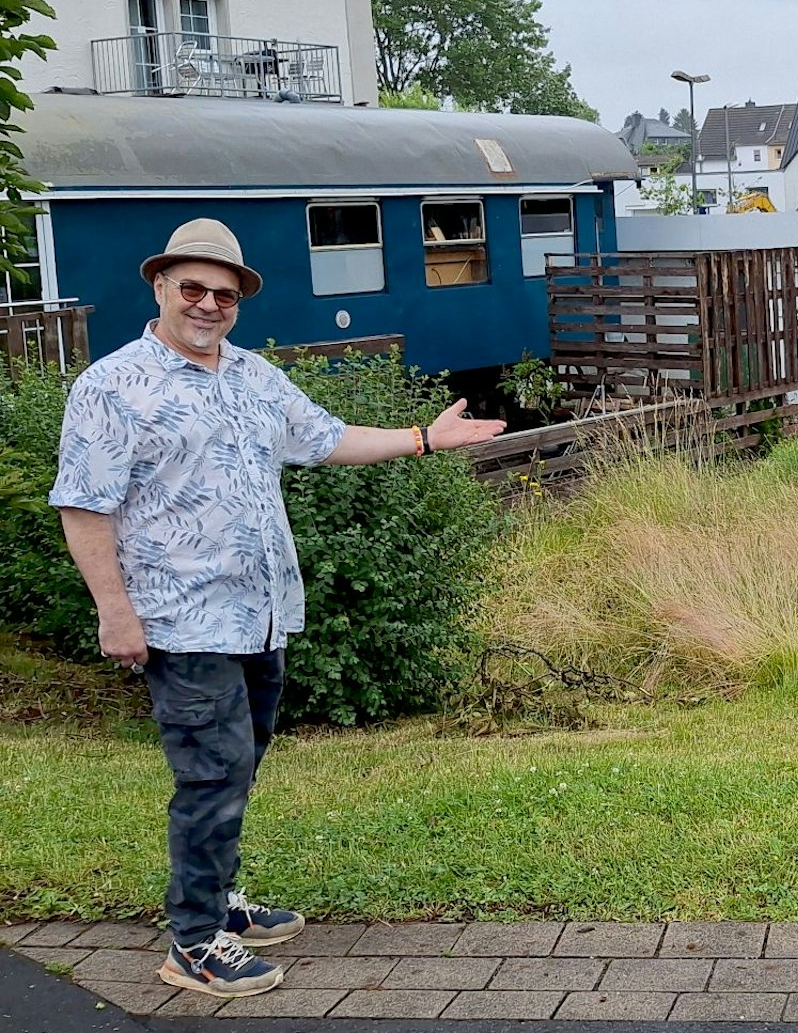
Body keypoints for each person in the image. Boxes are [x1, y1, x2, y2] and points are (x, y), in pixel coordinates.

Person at [50, 219, 507, 999]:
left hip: (259, 614)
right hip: (178, 619)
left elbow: (323, 438)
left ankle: (221, 904)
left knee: (239, 763)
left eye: (224, 294)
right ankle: (192, 943)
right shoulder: (111, 386)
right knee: (212, 773)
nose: (208, 304)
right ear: (158, 287)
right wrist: (114, 613)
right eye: (192, 288)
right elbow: (84, 507)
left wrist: (424, 439)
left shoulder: (253, 376)